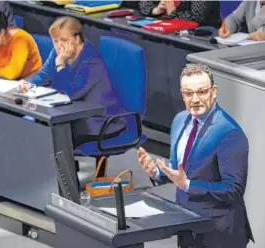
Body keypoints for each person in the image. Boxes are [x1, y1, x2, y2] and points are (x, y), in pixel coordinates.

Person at [137, 64, 254, 248]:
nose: (195, 99)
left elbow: (233, 190)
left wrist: (188, 185)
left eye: (201, 92)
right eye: (188, 93)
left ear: (213, 91)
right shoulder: (179, 120)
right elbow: (180, 167)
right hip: (187, 225)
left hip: (218, 232)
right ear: (182, 94)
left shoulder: (229, 133)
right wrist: (157, 171)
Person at [18, 16, 125, 147]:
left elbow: (70, 93)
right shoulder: (58, 53)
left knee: (50, 135)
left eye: (64, 40)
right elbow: (43, 74)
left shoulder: (91, 61)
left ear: (77, 39)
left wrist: (60, 64)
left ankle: (61, 167)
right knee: (32, 126)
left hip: (98, 122)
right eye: (55, 41)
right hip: (72, 116)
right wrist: (27, 82)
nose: (59, 46)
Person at [138, 0, 221, 28]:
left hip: (202, 36)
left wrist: (172, 13)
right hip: (166, 28)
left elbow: (197, 17)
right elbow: (144, 3)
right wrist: (155, 10)